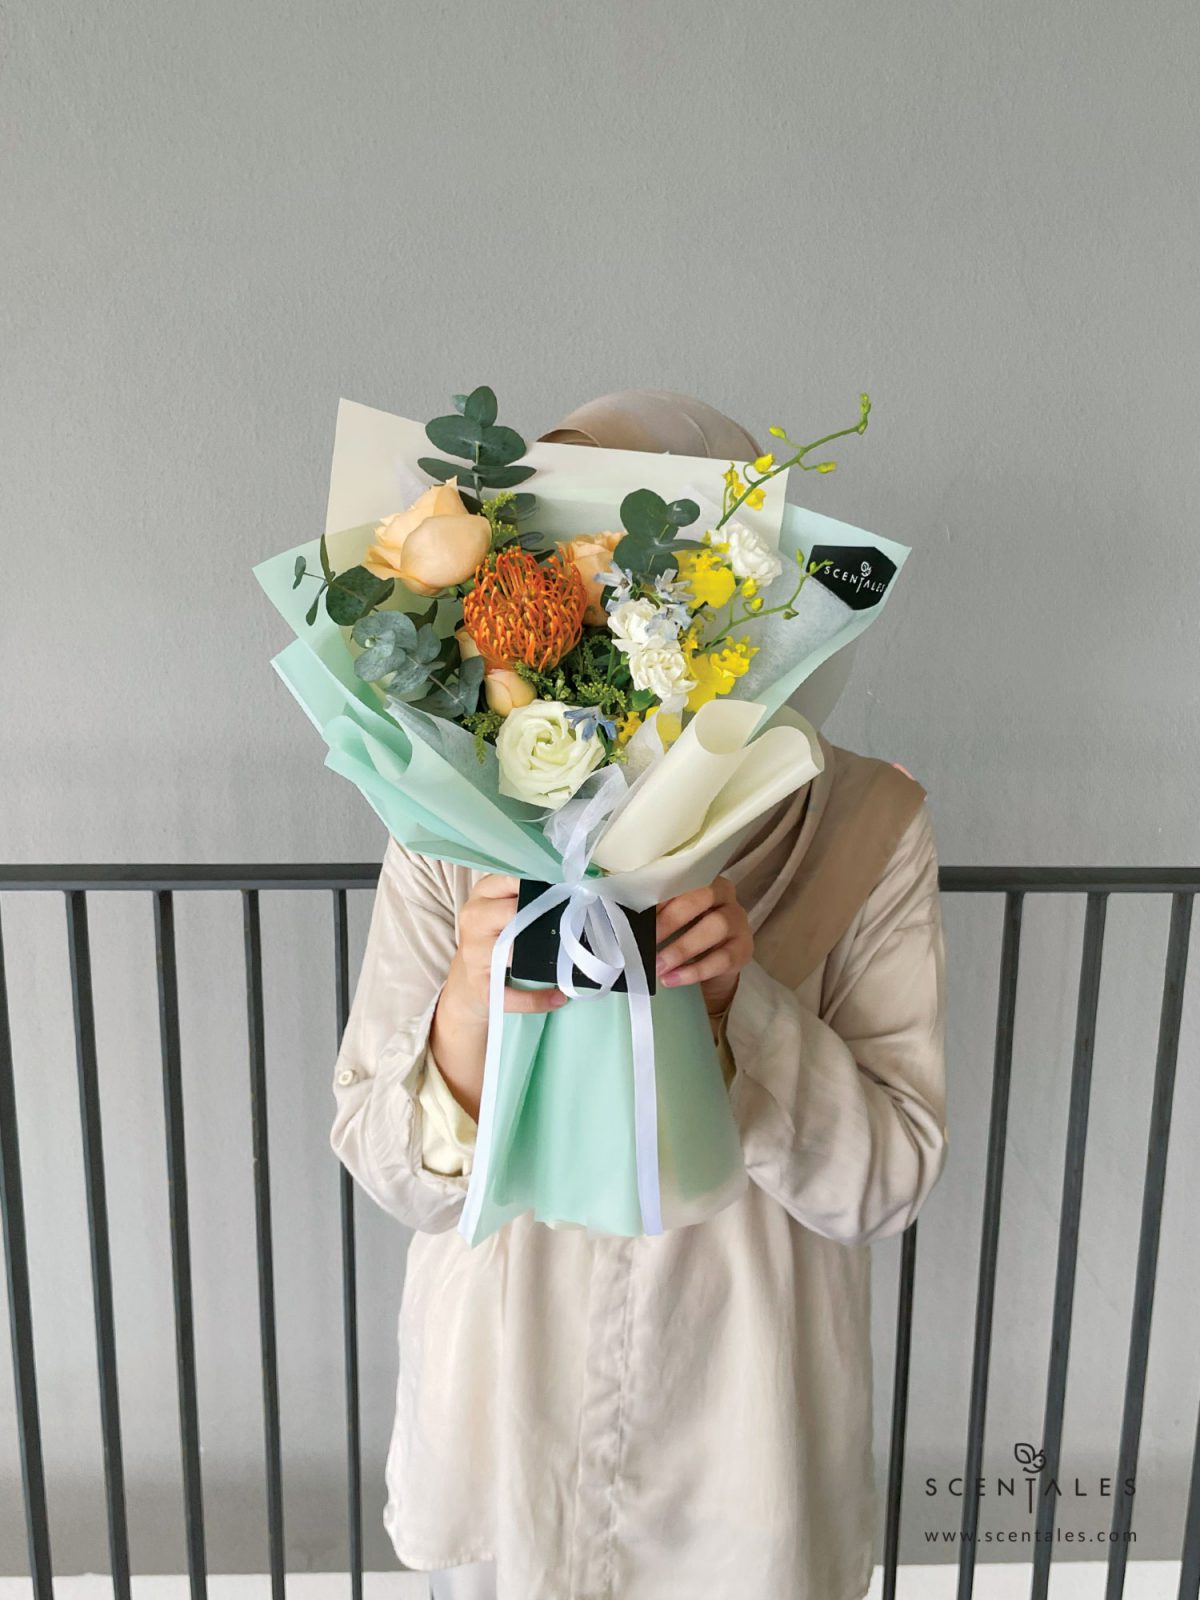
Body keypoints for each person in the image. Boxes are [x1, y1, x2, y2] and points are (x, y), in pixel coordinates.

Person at [330, 391, 948, 1600]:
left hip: (746, 1440)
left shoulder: (870, 826)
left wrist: (744, 1012)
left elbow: (891, 1176)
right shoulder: (448, 821)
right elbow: (381, 1158)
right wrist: (469, 1002)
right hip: (505, 1427)